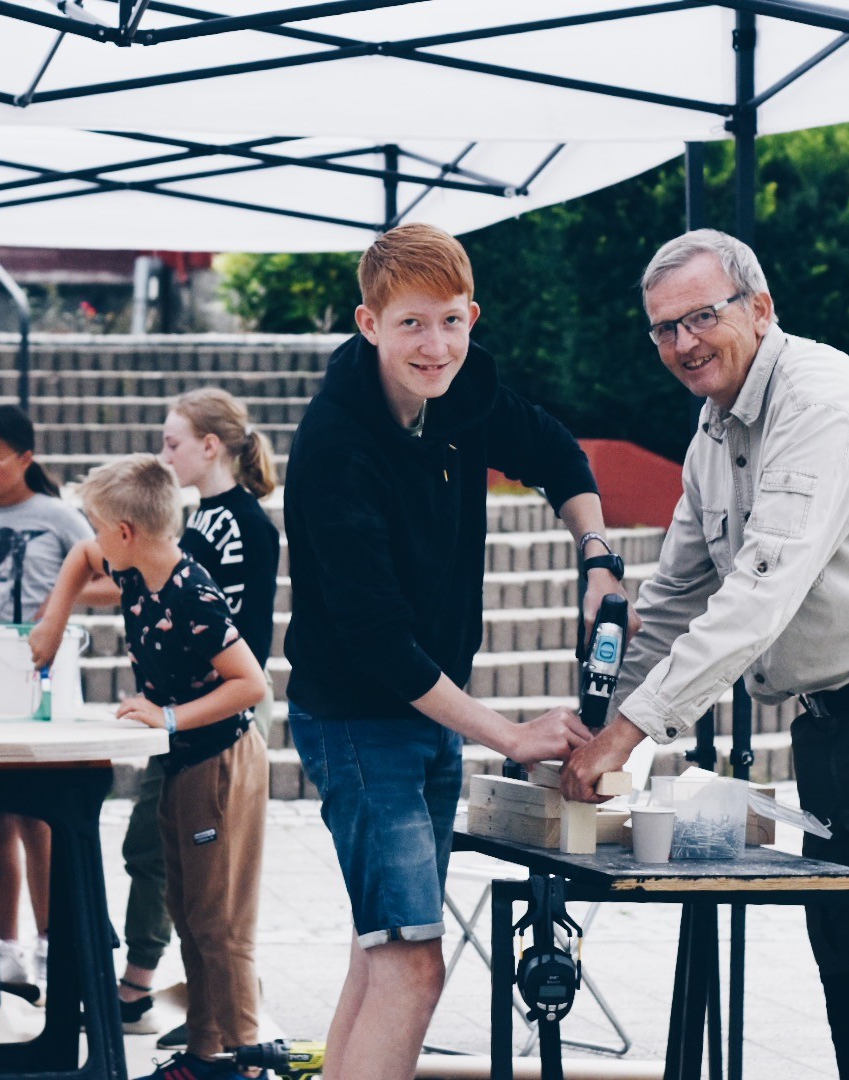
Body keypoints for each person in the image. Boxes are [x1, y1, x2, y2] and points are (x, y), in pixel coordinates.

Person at [560, 229, 849, 1080]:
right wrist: (598, 730)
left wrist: (630, 735)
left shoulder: (823, 406)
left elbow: (758, 594)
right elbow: (676, 600)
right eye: (664, 328)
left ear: (760, 308)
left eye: (701, 317)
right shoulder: (714, 432)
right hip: (831, 717)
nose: (683, 343)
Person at [281, 222, 634, 1080]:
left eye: (449, 321)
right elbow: (376, 642)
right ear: (369, 324)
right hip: (359, 722)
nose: (434, 347)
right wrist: (510, 735)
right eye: (410, 324)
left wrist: (597, 558)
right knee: (412, 964)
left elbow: (554, 452)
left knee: (382, 950)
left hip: (427, 715)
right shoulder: (336, 445)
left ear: (472, 316)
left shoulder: (461, 391)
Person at [30, 455, 268, 1080]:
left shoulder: (191, 594)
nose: (93, 536)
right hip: (183, 761)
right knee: (187, 910)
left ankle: (245, 1060)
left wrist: (168, 717)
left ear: (126, 532)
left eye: (97, 524)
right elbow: (82, 557)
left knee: (220, 922)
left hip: (220, 762)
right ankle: (206, 1054)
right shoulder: (135, 569)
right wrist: (53, 622)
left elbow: (251, 684)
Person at [115, 389, 281, 1042]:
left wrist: (172, 714)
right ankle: (209, 1033)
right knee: (189, 896)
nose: (164, 455)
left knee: (218, 914)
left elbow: (235, 659)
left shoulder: (238, 527)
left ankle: (232, 1039)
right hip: (191, 722)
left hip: (219, 725)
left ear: (211, 447)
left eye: (172, 442)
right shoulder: (204, 520)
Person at [0, 404, 93, 992]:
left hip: (38, 678)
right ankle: (3, 949)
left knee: (38, 815)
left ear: (26, 458)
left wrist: (58, 607)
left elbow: (111, 575)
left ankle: (51, 942)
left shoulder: (60, 517)